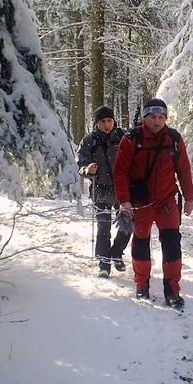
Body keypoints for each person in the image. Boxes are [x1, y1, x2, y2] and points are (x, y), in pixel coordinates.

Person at [113, 98, 193, 309]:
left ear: (165, 118)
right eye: (152, 117)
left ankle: (172, 290)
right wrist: (124, 201)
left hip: (166, 200)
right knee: (141, 242)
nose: (157, 121)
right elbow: (120, 172)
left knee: (172, 243)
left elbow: (184, 170)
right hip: (141, 203)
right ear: (145, 118)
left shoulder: (174, 139)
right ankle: (142, 285)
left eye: (161, 117)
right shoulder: (131, 139)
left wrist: (189, 198)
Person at [77, 105, 131, 278]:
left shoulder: (124, 137)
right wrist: (88, 169)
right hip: (100, 191)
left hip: (123, 190)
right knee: (103, 228)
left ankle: (116, 253)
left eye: (109, 120)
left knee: (127, 225)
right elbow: (80, 166)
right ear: (96, 123)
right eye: (102, 121)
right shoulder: (89, 141)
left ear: (114, 121)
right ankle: (103, 264)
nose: (107, 125)